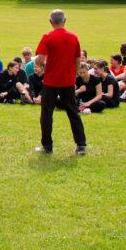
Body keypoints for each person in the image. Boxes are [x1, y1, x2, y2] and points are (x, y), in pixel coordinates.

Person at [34, 9, 86, 156]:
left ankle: (47, 146)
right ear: (65, 20)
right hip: (68, 80)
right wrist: (73, 75)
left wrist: (39, 63)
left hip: (51, 81)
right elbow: (77, 60)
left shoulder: (48, 37)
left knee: (46, 114)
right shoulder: (73, 37)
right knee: (73, 112)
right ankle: (81, 145)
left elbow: (40, 59)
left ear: (51, 22)